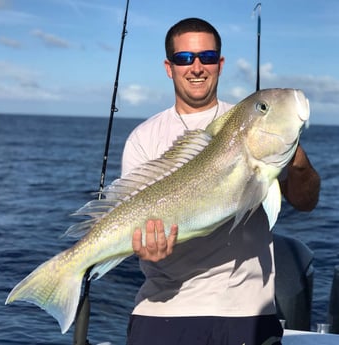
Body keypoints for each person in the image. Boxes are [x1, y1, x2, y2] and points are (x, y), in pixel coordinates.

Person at [121, 18, 320, 345]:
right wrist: (145, 248)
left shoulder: (256, 124)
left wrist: (297, 161)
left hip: (247, 311)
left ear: (220, 64)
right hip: (162, 309)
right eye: (185, 58)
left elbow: (306, 202)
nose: (196, 66)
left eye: (207, 57)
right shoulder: (144, 138)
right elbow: (136, 218)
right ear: (169, 67)